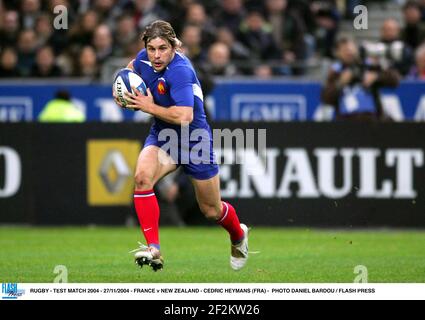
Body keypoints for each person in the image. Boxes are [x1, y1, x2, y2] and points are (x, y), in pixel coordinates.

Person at [113, 20, 249, 272]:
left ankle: (238, 236)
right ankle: (153, 247)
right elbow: (128, 71)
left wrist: (147, 106)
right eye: (151, 48)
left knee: (211, 210)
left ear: (174, 46)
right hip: (163, 136)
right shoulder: (144, 59)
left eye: (163, 48)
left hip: (194, 139)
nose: (156, 55)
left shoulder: (181, 70)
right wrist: (121, 88)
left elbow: (184, 117)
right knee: (142, 177)